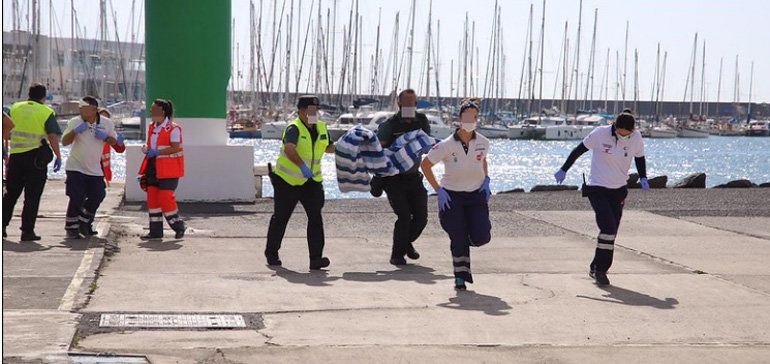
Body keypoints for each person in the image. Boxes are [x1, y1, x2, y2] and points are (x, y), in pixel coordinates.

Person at [554, 112, 648, 286]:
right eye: (620, 132)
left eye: (627, 133)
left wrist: (643, 177)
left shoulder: (636, 137)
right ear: (615, 126)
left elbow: (640, 158)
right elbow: (578, 150)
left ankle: (595, 266)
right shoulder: (600, 133)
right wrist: (564, 169)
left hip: (618, 190)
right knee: (608, 228)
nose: (623, 136)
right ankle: (601, 271)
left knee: (611, 233)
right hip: (597, 188)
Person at [421, 100, 491, 290]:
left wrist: (487, 179)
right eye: (467, 116)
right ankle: (460, 277)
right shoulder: (446, 145)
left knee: (482, 236)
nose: (471, 120)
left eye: (474, 117)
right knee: (458, 238)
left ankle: (466, 237)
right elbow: (425, 165)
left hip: (476, 195)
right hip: (452, 197)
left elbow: (482, 160)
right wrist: (438, 190)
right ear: (460, 118)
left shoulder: (483, 142)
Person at [266, 95, 334, 270]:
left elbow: (328, 147)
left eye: (316, 110)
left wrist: (347, 146)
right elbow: (290, 149)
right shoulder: (294, 128)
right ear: (301, 111)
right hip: (287, 181)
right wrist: (302, 167)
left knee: (315, 218)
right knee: (281, 218)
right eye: (311, 110)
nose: (314, 113)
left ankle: (316, 259)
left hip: (311, 182)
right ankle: (272, 253)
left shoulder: (321, 127)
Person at [374, 89, 431, 265]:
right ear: (399, 103)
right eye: (406, 103)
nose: (409, 106)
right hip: (393, 179)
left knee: (421, 217)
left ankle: (405, 243)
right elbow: (377, 150)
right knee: (404, 216)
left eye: (412, 103)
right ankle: (396, 255)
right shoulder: (389, 124)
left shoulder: (421, 121)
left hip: (414, 177)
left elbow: (427, 144)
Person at [3, 84, 62, 241]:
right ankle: (27, 231)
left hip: (16, 156)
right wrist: (58, 155)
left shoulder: (14, 107)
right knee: (32, 196)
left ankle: (2, 226)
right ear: (43, 96)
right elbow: (52, 136)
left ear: (29, 94)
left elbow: (5, 128)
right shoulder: (46, 112)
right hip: (36, 159)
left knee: (10, 194)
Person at [61, 97, 119, 238]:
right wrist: (75, 131)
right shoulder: (75, 122)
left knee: (98, 194)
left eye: (83, 107)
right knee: (77, 196)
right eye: (79, 108)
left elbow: (115, 141)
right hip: (75, 167)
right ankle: (71, 228)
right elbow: (64, 141)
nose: (80, 110)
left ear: (94, 109)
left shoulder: (107, 123)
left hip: (94, 168)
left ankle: (84, 220)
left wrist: (105, 137)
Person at [137, 99, 186, 240]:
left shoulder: (174, 128)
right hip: (153, 168)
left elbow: (175, 147)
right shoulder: (152, 127)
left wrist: (157, 152)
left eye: (154, 110)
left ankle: (178, 225)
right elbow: (152, 145)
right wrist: (147, 149)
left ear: (162, 111)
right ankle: (155, 232)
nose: (151, 112)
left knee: (165, 198)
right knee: (152, 200)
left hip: (169, 170)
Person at [97, 108, 126, 185]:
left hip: (102, 170)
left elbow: (119, 149)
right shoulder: (91, 131)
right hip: (90, 167)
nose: (103, 121)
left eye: (106, 119)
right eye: (101, 118)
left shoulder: (109, 134)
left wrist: (120, 143)